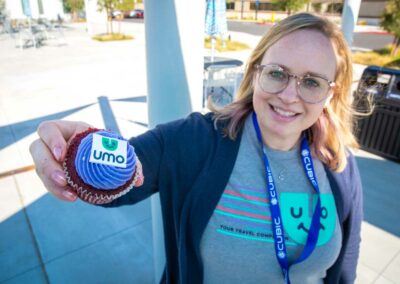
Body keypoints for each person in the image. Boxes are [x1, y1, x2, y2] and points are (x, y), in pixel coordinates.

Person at [30, 13, 363, 284]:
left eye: (311, 82)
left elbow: (346, 257)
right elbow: (122, 181)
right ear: (255, 72)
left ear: (331, 93)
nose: (290, 96)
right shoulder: (194, 140)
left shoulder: (339, 164)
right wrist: (72, 155)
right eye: (277, 73)